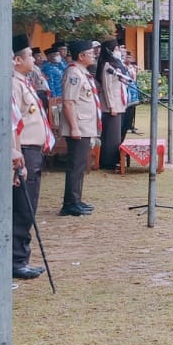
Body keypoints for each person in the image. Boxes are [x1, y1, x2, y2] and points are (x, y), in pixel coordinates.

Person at [8, 36, 48, 279]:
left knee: (28, 205)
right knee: (23, 208)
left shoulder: (23, 82)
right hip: (24, 151)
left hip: (33, 150)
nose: (34, 59)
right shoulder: (13, 84)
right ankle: (16, 260)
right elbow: (13, 124)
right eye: (30, 56)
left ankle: (20, 256)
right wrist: (18, 155)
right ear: (17, 60)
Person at [60, 40, 98, 216]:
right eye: (90, 53)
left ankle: (76, 199)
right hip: (78, 126)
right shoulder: (73, 73)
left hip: (85, 125)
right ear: (81, 56)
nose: (94, 55)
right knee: (75, 165)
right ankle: (70, 203)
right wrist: (74, 127)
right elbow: (68, 102)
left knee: (81, 164)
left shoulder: (82, 73)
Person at [96, 41, 128, 169]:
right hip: (111, 105)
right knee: (111, 136)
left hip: (119, 103)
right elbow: (107, 87)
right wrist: (111, 106)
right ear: (110, 50)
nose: (119, 51)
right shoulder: (107, 65)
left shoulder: (116, 63)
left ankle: (115, 159)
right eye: (117, 48)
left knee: (116, 134)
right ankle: (108, 162)